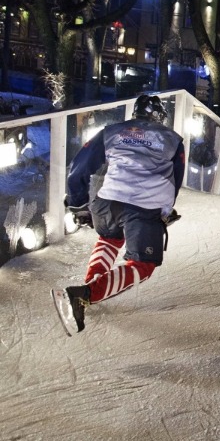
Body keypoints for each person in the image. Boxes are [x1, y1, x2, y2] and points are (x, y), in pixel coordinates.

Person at [52, 95, 185, 336]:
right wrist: (164, 213)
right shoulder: (173, 140)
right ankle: (85, 294)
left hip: (106, 200)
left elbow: (80, 165)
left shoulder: (112, 131)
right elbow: (173, 182)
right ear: (160, 116)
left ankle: (88, 291)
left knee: (110, 238)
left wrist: (77, 201)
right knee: (143, 264)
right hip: (143, 205)